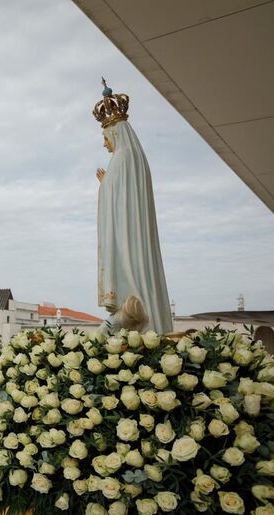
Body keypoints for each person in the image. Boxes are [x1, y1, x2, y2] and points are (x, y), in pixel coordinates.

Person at [94, 79, 173, 335]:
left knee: (130, 279)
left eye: (106, 138)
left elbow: (117, 198)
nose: (105, 144)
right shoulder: (135, 158)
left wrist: (105, 185)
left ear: (114, 133)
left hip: (127, 236)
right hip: (135, 233)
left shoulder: (121, 158)